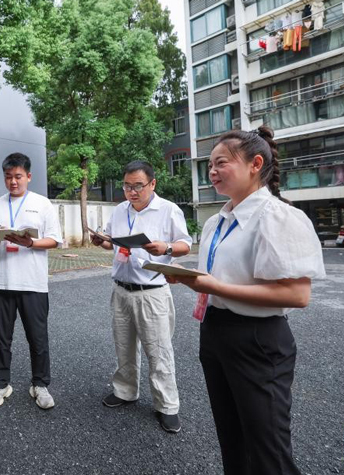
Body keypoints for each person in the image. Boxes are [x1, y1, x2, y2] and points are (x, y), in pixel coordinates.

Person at [166, 127, 325, 474]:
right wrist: (186, 275)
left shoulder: (277, 217)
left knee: (268, 447)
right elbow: (221, 274)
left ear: (255, 164)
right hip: (216, 332)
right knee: (231, 438)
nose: (212, 171)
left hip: (258, 339)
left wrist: (215, 287)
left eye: (221, 162)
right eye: (209, 165)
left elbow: (297, 294)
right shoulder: (217, 221)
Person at [91, 160, 191, 433]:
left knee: (158, 351)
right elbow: (113, 241)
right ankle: (125, 391)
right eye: (127, 186)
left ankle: (167, 406)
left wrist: (166, 247)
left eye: (138, 186)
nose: (132, 192)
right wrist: (102, 241)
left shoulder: (168, 209)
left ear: (152, 184)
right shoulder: (120, 210)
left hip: (153, 292)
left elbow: (185, 244)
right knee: (123, 346)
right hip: (122, 288)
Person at [0, 153, 63, 410]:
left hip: (33, 284)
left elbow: (54, 240)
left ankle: (40, 385)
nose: (13, 182)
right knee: (1, 338)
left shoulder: (43, 203)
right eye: (8, 177)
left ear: (28, 176)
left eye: (17, 176)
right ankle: (0, 384)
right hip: (1, 284)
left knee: (38, 338)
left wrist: (31, 242)